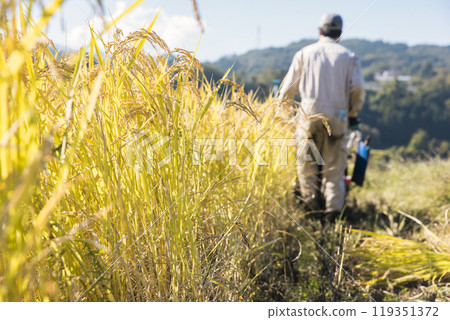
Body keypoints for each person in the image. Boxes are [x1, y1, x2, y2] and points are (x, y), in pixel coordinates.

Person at [278, 13, 365, 218]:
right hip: (338, 118)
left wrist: (284, 115)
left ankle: (311, 210)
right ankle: (332, 213)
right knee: (334, 168)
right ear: (340, 33)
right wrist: (352, 113)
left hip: (307, 118)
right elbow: (358, 88)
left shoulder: (304, 54)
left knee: (307, 165)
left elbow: (286, 90)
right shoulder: (349, 56)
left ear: (319, 31)